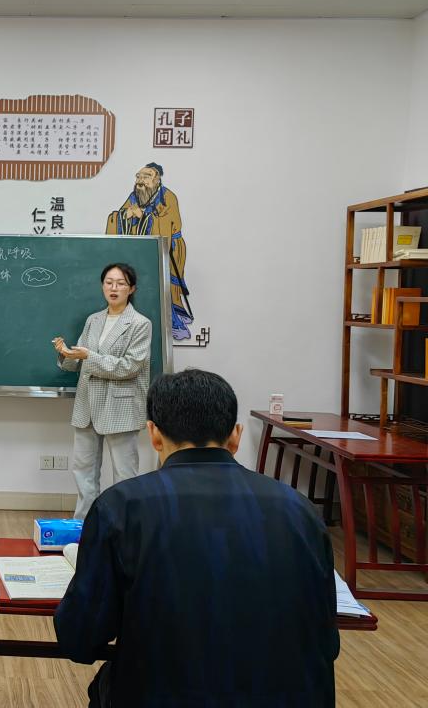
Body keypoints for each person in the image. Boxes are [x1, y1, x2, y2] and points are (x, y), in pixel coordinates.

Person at [54, 369, 339, 707]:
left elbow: (79, 639)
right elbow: (327, 642)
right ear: (235, 436)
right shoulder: (300, 510)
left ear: (154, 435)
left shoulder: (121, 507)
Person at [52, 262, 152, 519]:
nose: (113, 288)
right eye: (109, 282)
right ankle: (85, 524)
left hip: (120, 406)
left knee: (124, 473)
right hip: (87, 405)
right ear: (102, 286)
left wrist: (89, 356)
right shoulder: (93, 320)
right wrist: (66, 354)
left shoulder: (140, 324)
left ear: (131, 289)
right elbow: (81, 359)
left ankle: (125, 526)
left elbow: (129, 367)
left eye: (120, 283)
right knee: (83, 470)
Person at [105, 162, 193, 339]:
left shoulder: (168, 197)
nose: (140, 181)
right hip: (144, 252)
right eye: (138, 176)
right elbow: (120, 215)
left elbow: (168, 224)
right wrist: (125, 215)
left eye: (146, 177)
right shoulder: (134, 196)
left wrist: (143, 216)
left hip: (169, 249)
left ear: (157, 179)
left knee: (165, 288)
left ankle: (174, 325)